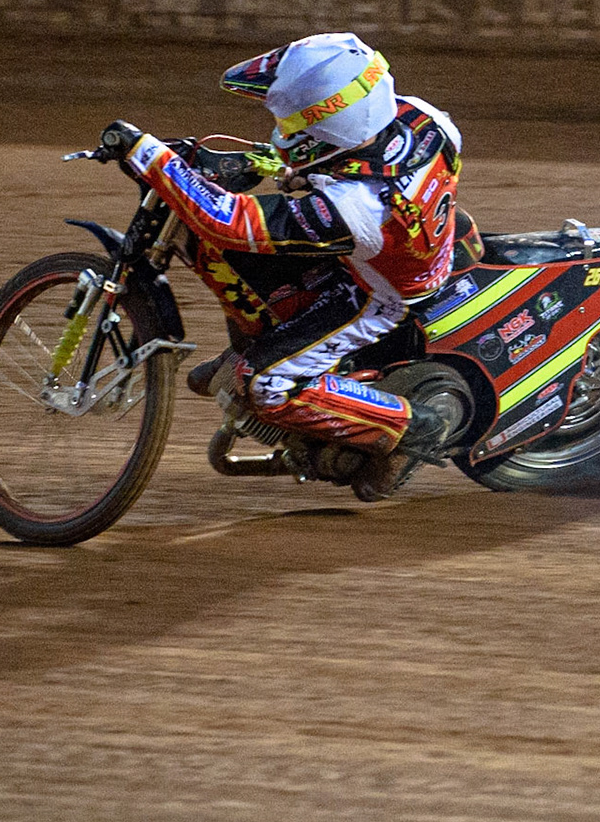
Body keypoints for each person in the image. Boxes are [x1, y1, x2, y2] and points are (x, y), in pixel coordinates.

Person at [93, 31, 463, 495]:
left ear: (332, 124)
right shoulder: (420, 117)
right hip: (394, 249)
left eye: (295, 123)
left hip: (377, 296)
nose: (284, 130)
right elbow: (350, 159)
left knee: (262, 384)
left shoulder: (359, 207)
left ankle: (412, 428)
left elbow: (229, 220)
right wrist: (287, 168)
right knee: (242, 260)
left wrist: (148, 154)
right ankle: (264, 344)